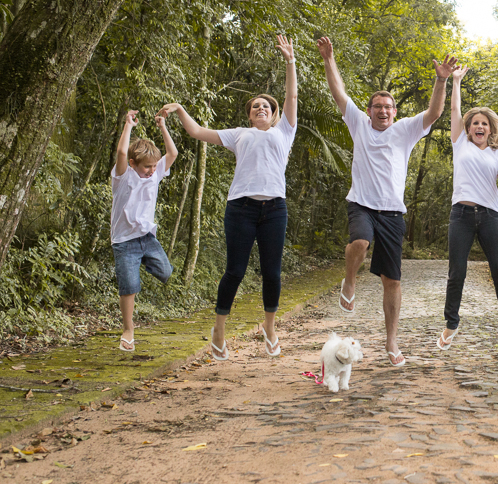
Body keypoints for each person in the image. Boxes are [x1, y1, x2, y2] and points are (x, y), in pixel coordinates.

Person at [316, 35, 455, 367]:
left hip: (393, 212)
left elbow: (434, 113)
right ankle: (349, 280)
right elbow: (338, 92)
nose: (382, 111)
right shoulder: (359, 125)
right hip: (361, 203)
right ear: (369, 111)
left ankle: (392, 343)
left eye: (388, 107)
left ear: (394, 112)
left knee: (392, 280)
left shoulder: (406, 129)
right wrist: (328, 59)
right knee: (360, 241)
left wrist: (441, 79)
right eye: (377, 106)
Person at [157, 35, 297, 360]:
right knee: (235, 270)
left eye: (266, 105)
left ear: (275, 114)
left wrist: (290, 61)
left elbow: (291, 95)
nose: (261, 108)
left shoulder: (283, 132)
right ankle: (218, 330)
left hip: (275, 209)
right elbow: (196, 132)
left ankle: (270, 328)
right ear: (249, 115)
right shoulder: (239, 135)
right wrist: (179, 109)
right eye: (255, 106)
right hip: (241, 209)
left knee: (272, 272)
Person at [437, 66, 498, 352]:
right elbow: (454, 109)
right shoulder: (459, 143)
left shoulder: (497, 154)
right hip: (460, 216)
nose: (479, 126)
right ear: (468, 128)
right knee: (456, 272)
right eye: (474, 122)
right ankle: (451, 324)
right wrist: (456, 81)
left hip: (489, 217)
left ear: (491, 128)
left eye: (484, 124)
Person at [111, 109, 179, 351]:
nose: (151, 170)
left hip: (148, 238)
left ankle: (139, 264)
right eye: (147, 166)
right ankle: (128, 331)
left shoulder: (156, 174)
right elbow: (121, 151)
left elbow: (173, 153)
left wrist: (162, 125)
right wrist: (128, 124)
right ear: (133, 164)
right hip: (125, 241)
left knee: (166, 273)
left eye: (154, 166)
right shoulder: (122, 177)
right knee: (129, 286)